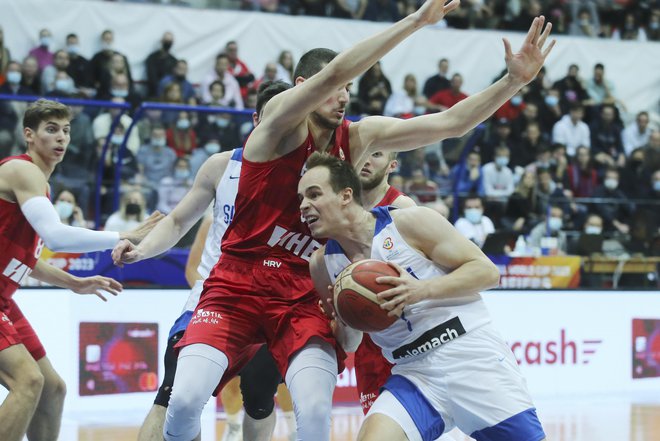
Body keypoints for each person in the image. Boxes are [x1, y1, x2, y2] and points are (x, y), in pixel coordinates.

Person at [114, 6, 554, 441]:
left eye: (349, 89)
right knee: (184, 398)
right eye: (335, 88)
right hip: (239, 280)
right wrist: (416, 22)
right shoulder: (278, 124)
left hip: (305, 283)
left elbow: (451, 124)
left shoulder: (359, 138)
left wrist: (514, 81)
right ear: (304, 87)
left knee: (310, 408)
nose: (344, 95)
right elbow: (176, 219)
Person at [300, 152, 545, 441]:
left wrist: (421, 290)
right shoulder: (321, 264)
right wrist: (345, 319)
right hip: (413, 373)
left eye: (314, 194)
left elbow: (486, 272)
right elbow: (350, 344)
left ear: (345, 195)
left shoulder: (408, 222)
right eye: (301, 198)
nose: (304, 206)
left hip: (469, 354)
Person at [132, 82, 296, 441]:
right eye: (273, 115)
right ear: (256, 119)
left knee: (259, 394)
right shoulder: (222, 165)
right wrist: (141, 250)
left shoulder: (307, 175)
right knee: (174, 391)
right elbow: (176, 221)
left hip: (272, 302)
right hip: (215, 296)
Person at [0, 99, 160, 441]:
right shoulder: (22, 170)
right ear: (29, 135)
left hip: (4, 300)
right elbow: (56, 236)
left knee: (52, 388)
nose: (61, 138)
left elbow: (24, 260)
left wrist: (73, 282)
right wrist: (124, 234)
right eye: (51, 130)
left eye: (66, 131)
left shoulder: (39, 184)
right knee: (28, 382)